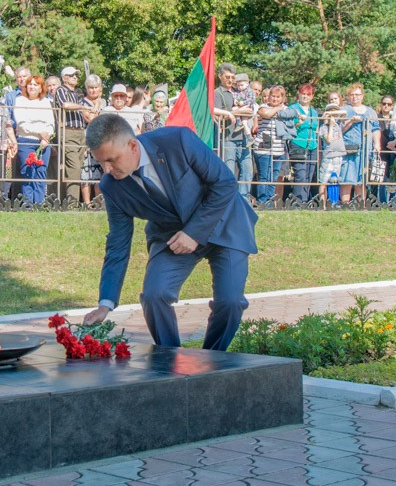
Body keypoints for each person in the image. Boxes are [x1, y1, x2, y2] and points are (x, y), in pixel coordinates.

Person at [81, 113, 259, 351]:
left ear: (133, 145)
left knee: (230, 302)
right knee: (154, 296)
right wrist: (106, 303)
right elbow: (118, 244)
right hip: (171, 236)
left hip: (224, 222)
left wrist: (193, 233)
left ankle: (214, 358)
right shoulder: (111, 186)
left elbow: (225, 183)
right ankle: (169, 359)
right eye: (101, 162)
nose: (107, 169)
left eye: (112, 160)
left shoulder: (178, 140)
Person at [13, 75, 54, 205]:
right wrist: (39, 132)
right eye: (30, 84)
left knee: (41, 171)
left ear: (41, 88)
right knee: (28, 172)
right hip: (26, 141)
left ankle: (39, 203)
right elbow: (21, 123)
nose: (32, 87)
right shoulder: (20, 101)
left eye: (36, 84)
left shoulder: (45, 102)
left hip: (44, 142)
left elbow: (51, 123)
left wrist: (46, 138)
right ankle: (28, 204)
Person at [52, 66, 90, 204]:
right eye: (72, 75)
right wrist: (84, 107)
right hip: (68, 131)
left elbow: (84, 114)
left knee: (77, 167)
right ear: (64, 78)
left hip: (80, 132)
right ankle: (72, 204)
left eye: (76, 75)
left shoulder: (76, 93)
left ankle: (71, 201)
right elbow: (65, 105)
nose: (75, 77)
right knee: (74, 167)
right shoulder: (61, 90)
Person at [339, 83, 378, 205]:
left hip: (366, 150)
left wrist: (377, 144)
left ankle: (361, 204)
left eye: (357, 94)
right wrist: (351, 122)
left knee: (362, 180)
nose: (355, 97)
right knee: (347, 178)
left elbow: (376, 129)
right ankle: (345, 204)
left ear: (362, 96)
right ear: (348, 96)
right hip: (349, 149)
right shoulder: (344, 110)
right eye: (352, 94)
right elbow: (338, 130)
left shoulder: (370, 111)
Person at [286, 84, 320, 204]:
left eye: (308, 94)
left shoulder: (314, 112)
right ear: (299, 95)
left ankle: (304, 201)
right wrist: (299, 123)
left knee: (309, 175)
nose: (305, 97)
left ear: (312, 96)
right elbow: (287, 128)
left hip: (312, 146)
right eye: (303, 94)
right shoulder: (293, 108)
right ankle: (297, 201)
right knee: (300, 174)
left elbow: (316, 128)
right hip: (298, 144)